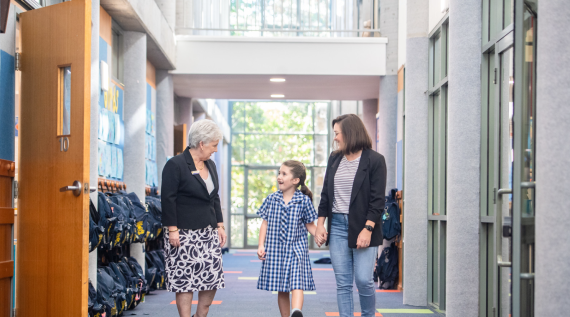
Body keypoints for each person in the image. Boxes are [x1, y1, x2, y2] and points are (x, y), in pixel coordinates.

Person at [315, 114, 387, 317]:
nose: (335, 138)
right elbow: (326, 195)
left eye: (337, 133)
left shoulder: (375, 160)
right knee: (343, 283)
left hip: (364, 225)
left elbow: (377, 201)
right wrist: (321, 225)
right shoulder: (334, 158)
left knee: (364, 280)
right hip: (337, 225)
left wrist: (368, 229)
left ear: (350, 132)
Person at [161, 119, 227, 317]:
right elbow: (168, 199)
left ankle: (200, 314)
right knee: (185, 281)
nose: (215, 149)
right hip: (183, 232)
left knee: (212, 277)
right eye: (214, 145)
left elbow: (214, 196)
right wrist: (172, 229)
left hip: (208, 231)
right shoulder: (176, 165)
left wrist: (220, 225)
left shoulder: (211, 165)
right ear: (202, 143)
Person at [256, 160, 324, 317]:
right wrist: (261, 245)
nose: (279, 176)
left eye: (284, 174)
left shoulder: (303, 201)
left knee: (297, 281)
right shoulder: (271, 199)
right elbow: (264, 224)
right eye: (279, 173)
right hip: (275, 251)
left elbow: (310, 225)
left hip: (296, 249)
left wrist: (318, 235)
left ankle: (296, 311)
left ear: (295, 180)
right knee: (282, 287)